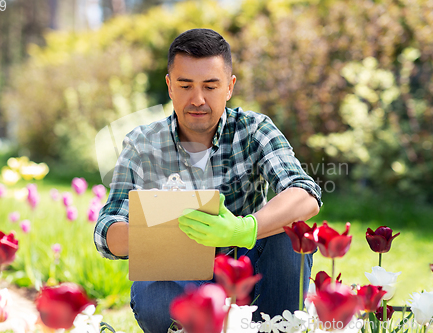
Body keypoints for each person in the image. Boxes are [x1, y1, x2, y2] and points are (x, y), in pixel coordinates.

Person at [94, 28, 322, 333]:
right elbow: (106, 229)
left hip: (247, 272)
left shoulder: (254, 130)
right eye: (185, 85)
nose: (197, 99)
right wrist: (157, 233)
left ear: (229, 87)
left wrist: (245, 228)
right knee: (158, 291)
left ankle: (274, 328)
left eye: (210, 86)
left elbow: (305, 193)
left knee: (288, 233)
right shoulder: (141, 143)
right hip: (178, 274)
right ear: (169, 86)